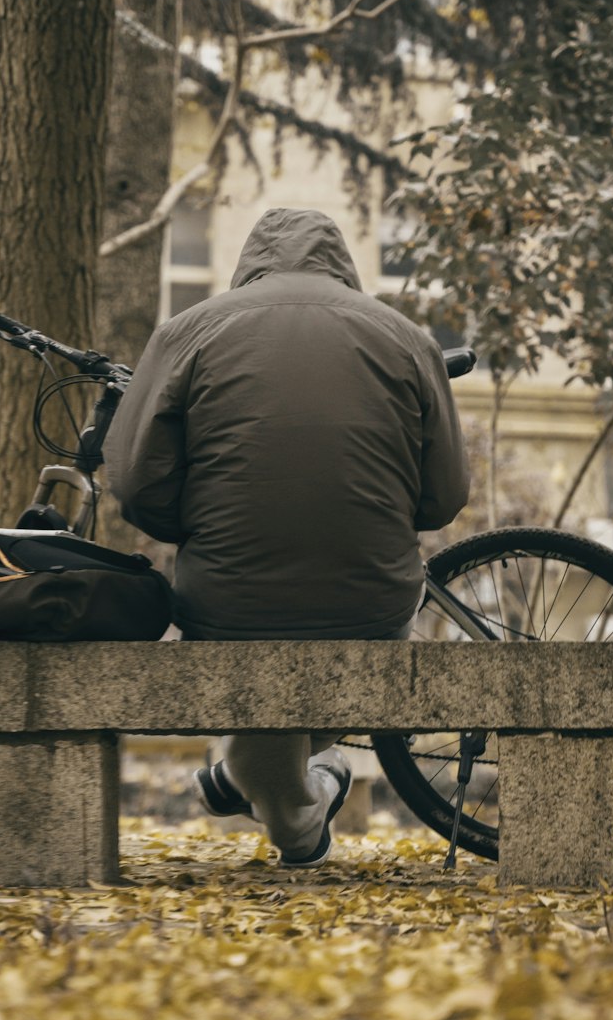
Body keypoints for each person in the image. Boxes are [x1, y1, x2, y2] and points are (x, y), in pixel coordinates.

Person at [104, 207, 469, 866]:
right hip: (370, 608)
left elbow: (133, 483)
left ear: (252, 262)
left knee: (260, 683)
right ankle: (285, 780)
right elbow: (444, 497)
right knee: (305, 678)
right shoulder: (407, 337)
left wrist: (197, 526)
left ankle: (274, 789)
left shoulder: (187, 331)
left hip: (228, 607)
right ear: (342, 262)